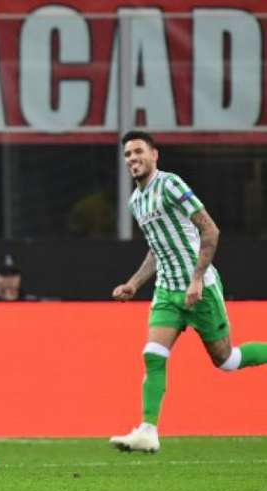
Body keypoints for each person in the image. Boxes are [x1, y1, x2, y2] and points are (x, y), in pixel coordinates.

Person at [109, 130, 267, 452]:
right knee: (153, 355)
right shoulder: (136, 201)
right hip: (167, 291)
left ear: (154, 155)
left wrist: (196, 278)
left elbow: (210, 229)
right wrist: (134, 283)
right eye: (127, 154)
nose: (132, 159)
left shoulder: (170, 184)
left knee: (227, 360)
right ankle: (148, 430)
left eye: (138, 151)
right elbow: (157, 248)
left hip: (201, 289)